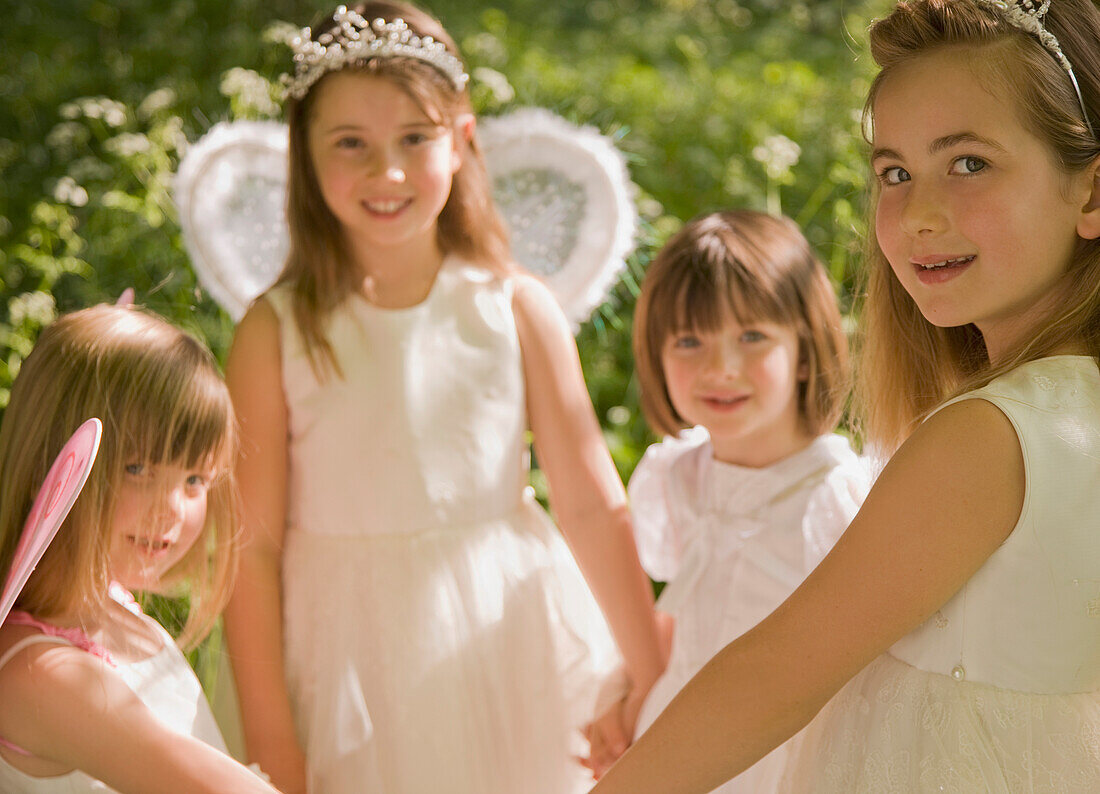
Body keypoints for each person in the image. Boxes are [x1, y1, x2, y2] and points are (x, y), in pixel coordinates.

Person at [591, 0, 1100, 791]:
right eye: (894, 172)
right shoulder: (1075, 403)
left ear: (1092, 193)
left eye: (969, 162)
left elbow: (777, 674)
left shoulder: (990, 432)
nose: (919, 214)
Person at [222, 3, 664, 792]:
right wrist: (272, 744)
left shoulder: (513, 308)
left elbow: (591, 502)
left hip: (503, 637)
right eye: (349, 143)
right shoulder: (276, 329)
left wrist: (652, 672)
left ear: (462, 142)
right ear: (304, 154)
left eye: (414, 140)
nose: (384, 172)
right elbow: (250, 547)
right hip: (342, 657)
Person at [583, 211, 869, 787]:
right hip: (681, 730)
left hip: (782, 754)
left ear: (806, 350)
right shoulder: (678, 474)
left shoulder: (837, 494)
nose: (721, 368)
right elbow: (687, 611)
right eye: (690, 341)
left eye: (752, 337)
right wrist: (629, 686)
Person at [0, 305, 278, 794]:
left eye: (194, 479)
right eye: (137, 468)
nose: (172, 509)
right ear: (56, 460)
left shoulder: (115, 608)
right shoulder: (42, 673)